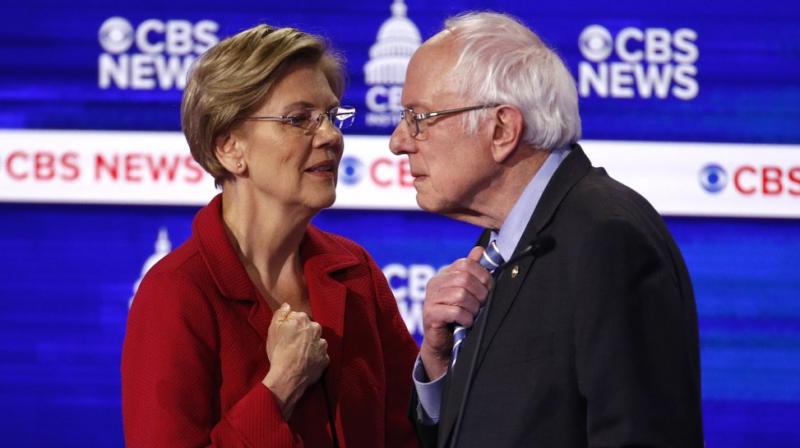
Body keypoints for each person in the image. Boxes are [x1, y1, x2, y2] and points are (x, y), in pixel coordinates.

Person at [389, 12, 704, 448]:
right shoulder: (502, 244)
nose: (398, 140)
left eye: (419, 117)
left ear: (501, 128)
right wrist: (441, 362)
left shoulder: (606, 238)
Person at [122, 24, 419, 447]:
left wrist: (441, 359)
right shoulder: (176, 293)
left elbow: (409, 433)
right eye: (299, 119)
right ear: (230, 148)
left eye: (333, 117)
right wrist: (279, 388)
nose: (331, 137)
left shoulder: (355, 272)